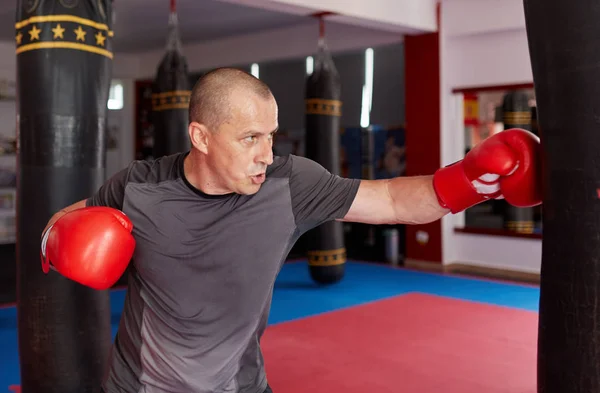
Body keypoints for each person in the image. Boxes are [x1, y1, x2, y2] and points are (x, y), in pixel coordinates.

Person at [40, 67, 542, 393]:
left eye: (272, 135)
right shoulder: (139, 188)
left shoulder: (289, 184)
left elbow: (389, 200)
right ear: (201, 137)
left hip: (242, 385)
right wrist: (56, 243)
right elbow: (64, 219)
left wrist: (471, 182)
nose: (266, 152)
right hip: (138, 387)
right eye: (250, 137)